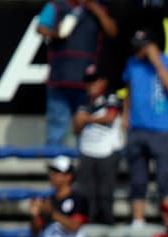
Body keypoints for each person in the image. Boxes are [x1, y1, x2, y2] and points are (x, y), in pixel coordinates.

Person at [37, 0, 118, 147]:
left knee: (86, 131)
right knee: (56, 130)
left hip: (87, 86)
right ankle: (55, 162)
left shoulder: (97, 8)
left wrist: (97, 11)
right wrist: (56, 34)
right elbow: (41, 27)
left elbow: (112, 32)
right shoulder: (56, 6)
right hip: (59, 81)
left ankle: (84, 161)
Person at [122, 29, 168, 230]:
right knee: (138, 178)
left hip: (162, 130)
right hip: (137, 129)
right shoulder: (132, 63)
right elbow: (128, 91)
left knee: (164, 177)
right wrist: (125, 117)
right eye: (136, 47)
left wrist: (156, 61)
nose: (138, 51)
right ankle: (138, 220)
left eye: (142, 47)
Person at [73, 66, 122, 225]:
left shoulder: (111, 97)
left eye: (95, 81)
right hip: (87, 150)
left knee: (105, 192)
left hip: (107, 150)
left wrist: (87, 119)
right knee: (86, 192)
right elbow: (76, 128)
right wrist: (79, 121)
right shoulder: (82, 101)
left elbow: (110, 117)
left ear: (103, 82)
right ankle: (89, 223)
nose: (91, 85)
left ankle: (107, 223)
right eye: (88, 82)